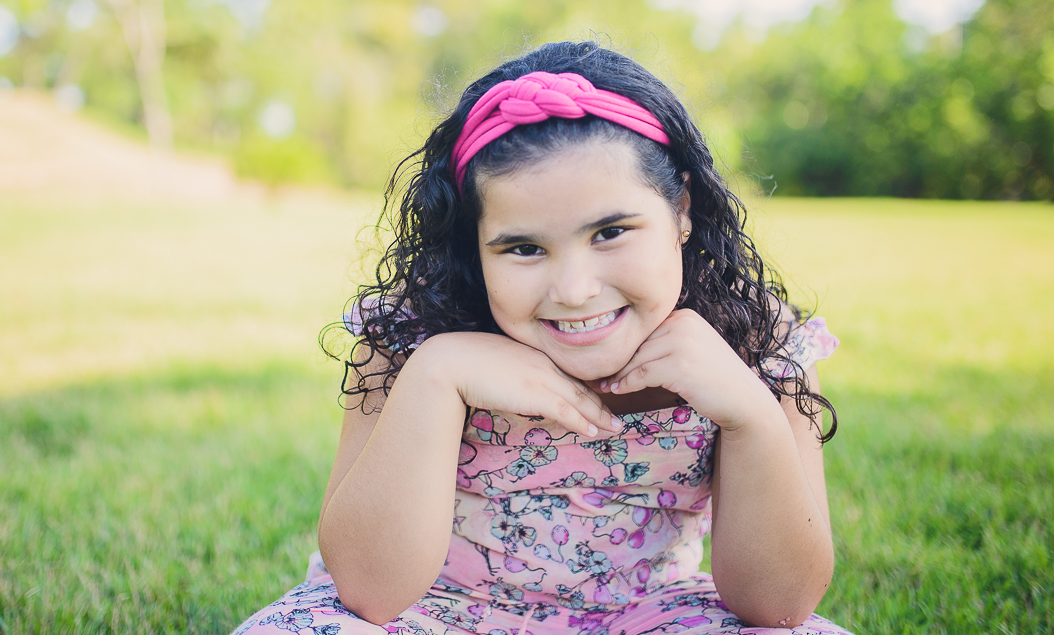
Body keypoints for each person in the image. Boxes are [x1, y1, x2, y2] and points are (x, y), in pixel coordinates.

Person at [231, 42, 852, 635]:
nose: (575, 290)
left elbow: (779, 606)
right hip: (434, 614)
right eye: (524, 248)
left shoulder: (758, 344)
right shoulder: (410, 335)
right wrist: (436, 375)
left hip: (653, 617)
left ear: (682, 208)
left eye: (610, 232)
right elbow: (368, 590)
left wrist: (751, 415)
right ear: (473, 245)